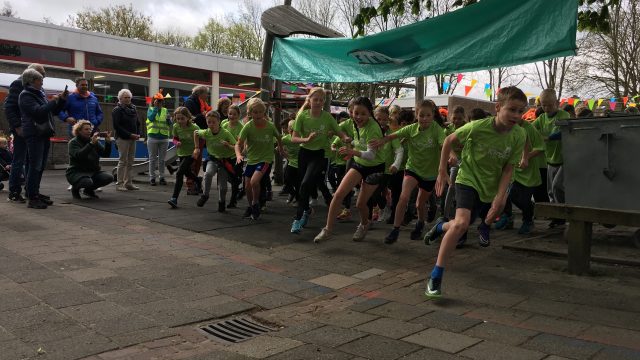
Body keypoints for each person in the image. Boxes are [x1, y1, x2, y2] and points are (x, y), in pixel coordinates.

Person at [423, 86, 527, 298]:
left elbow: (508, 168)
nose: (517, 115)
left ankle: (441, 226)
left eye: (521, 111)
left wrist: (501, 196)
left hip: (488, 188)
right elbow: (449, 140)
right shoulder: (477, 127)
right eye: (512, 110)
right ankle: (436, 275)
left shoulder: (519, 135)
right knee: (461, 223)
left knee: (460, 226)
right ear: (498, 108)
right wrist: (442, 170)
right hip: (467, 178)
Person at [313, 97, 385, 243]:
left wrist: (352, 152)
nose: (358, 117)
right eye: (355, 113)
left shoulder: (374, 128)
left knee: (360, 204)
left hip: (374, 167)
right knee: (338, 194)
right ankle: (327, 230)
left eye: (363, 114)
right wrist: (338, 135)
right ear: (351, 112)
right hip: (359, 164)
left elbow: (371, 155)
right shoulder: (351, 121)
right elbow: (336, 127)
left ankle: (364, 224)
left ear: (370, 113)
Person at [374, 100, 444, 244]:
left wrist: (450, 157)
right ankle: (395, 229)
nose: (424, 119)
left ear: (432, 116)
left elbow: (444, 144)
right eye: (421, 115)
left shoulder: (436, 129)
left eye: (428, 116)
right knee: (403, 197)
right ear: (416, 115)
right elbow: (393, 136)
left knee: (419, 204)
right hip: (412, 168)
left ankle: (420, 223)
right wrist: (382, 141)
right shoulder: (411, 129)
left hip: (429, 173)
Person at [289, 87, 351, 234]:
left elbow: (339, 131)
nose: (318, 102)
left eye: (321, 100)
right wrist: (307, 139)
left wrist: (345, 138)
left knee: (306, 184)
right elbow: (294, 138)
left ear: (324, 102)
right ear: (309, 100)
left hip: (321, 155)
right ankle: (306, 211)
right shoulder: (302, 116)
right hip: (304, 153)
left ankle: (297, 219)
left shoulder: (327, 117)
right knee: (303, 187)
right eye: (315, 99)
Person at [19, 68, 68, 209]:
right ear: (32, 81)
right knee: (35, 166)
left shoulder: (39, 94)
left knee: (39, 166)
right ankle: (32, 198)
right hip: (35, 133)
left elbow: (52, 111)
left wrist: (61, 101)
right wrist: (54, 100)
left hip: (43, 133)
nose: (42, 82)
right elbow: (38, 112)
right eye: (40, 80)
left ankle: (34, 192)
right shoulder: (26, 95)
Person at [4, 63, 47, 203]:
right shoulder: (18, 84)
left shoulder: (36, 87)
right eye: (41, 74)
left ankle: (31, 191)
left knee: (31, 161)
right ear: (31, 73)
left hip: (33, 131)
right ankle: (14, 191)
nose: (43, 78)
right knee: (19, 159)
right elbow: (9, 107)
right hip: (22, 130)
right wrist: (17, 126)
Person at [235, 98, 283, 220]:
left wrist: (281, 149)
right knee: (247, 186)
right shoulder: (248, 127)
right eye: (254, 112)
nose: (257, 115)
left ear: (264, 113)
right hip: (251, 159)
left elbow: (279, 137)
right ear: (250, 113)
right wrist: (239, 155)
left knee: (254, 182)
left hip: (265, 159)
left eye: (260, 112)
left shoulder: (270, 126)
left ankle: (256, 203)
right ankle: (251, 206)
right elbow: (238, 144)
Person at [533, 89, 570, 228]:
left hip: (564, 158)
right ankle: (557, 215)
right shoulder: (541, 118)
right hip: (550, 159)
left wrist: (548, 137)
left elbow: (563, 131)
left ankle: (563, 213)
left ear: (557, 103)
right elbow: (531, 128)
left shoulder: (564, 114)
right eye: (543, 105)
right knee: (550, 190)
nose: (546, 108)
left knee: (558, 186)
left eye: (550, 105)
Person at [194, 110, 237, 212]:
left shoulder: (226, 133)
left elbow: (236, 146)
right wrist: (196, 148)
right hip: (212, 158)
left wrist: (228, 145)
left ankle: (221, 202)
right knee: (208, 173)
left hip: (225, 160)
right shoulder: (207, 132)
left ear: (219, 121)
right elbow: (195, 133)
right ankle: (205, 195)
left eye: (214, 122)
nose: (211, 124)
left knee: (222, 187)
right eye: (209, 122)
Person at [66, 120, 113, 199]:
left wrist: (108, 142)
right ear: (79, 131)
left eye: (90, 129)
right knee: (87, 182)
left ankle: (88, 190)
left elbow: (106, 154)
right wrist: (91, 144)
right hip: (76, 172)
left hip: (92, 171)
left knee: (109, 177)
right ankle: (75, 189)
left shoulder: (94, 141)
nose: (89, 131)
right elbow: (79, 155)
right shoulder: (73, 142)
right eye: (86, 129)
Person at [167, 107, 201, 208]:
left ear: (188, 118)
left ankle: (174, 198)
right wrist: (176, 142)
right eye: (178, 119)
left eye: (182, 118)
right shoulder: (176, 126)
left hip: (192, 154)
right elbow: (175, 138)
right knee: (186, 172)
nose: (180, 121)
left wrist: (197, 149)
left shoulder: (194, 127)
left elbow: (203, 137)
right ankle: (198, 180)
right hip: (181, 152)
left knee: (179, 172)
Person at [184, 85, 211, 195]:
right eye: (206, 94)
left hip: (201, 134)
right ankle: (191, 185)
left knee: (197, 161)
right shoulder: (191, 102)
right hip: (194, 135)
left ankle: (195, 183)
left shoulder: (201, 102)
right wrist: (203, 115)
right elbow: (191, 118)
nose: (207, 96)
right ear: (200, 93)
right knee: (193, 161)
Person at [112, 89, 140, 191]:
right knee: (123, 161)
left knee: (130, 161)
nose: (128, 99)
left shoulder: (133, 108)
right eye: (125, 97)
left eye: (129, 97)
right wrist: (130, 135)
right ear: (120, 99)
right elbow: (117, 126)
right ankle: (119, 184)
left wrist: (138, 134)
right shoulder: (117, 110)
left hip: (133, 138)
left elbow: (137, 123)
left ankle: (128, 183)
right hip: (122, 138)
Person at [146, 92, 171, 186]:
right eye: (157, 101)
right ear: (153, 101)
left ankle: (162, 177)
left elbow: (170, 124)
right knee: (152, 159)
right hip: (153, 137)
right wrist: (156, 108)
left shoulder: (165, 110)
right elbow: (151, 118)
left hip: (164, 138)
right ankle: (152, 178)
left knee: (162, 160)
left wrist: (169, 120)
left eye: (161, 101)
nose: (159, 102)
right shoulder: (150, 109)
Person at [222, 104, 244, 208]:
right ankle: (239, 183)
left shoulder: (241, 127)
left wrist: (229, 145)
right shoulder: (224, 124)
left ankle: (233, 201)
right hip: (225, 156)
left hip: (236, 157)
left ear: (239, 115)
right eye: (230, 114)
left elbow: (240, 146)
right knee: (229, 177)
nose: (232, 116)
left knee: (234, 180)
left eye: (234, 114)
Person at [281, 119, 300, 205]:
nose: (293, 132)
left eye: (295, 130)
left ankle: (299, 199)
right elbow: (280, 149)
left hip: (301, 164)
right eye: (291, 130)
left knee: (298, 183)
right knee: (287, 180)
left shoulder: (302, 139)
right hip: (292, 162)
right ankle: (293, 194)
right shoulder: (285, 139)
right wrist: (287, 156)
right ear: (289, 130)